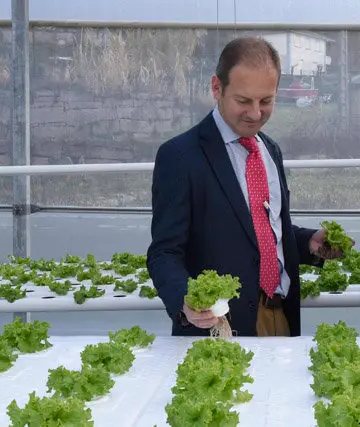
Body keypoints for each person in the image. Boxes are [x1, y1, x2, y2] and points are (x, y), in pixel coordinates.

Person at [147, 37, 346, 337]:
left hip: (281, 316)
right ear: (217, 88)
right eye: (243, 101)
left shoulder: (270, 150)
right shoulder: (180, 156)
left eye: (266, 101)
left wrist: (308, 243)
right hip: (219, 328)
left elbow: (261, 228)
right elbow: (164, 252)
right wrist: (184, 300)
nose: (255, 114)